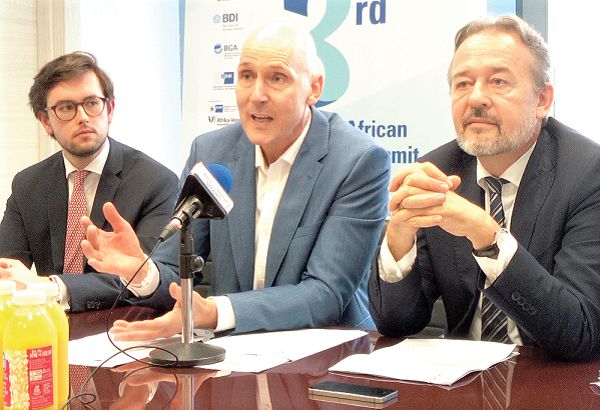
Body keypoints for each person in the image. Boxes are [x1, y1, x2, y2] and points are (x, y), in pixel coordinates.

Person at [81, 23, 390, 338]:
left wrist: (215, 312)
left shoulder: (357, 161)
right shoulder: (212, 152)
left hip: (328, 358)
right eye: (246, 76)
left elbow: (326, 293)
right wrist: (142, 271)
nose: (257, 95)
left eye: (277, 78)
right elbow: (175, 270)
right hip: (236, 354)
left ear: (314, 88)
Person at [369, 15, 600, 361]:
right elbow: (397, 323)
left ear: (542, 100)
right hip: (462, 382)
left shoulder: (587, 173)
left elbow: (578, 334)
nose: (476, 98)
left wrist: (487, 234)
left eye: (498, 82)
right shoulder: (440, 170)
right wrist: (399, 236)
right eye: (463, 84)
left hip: (554, 383)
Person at [0, 52, 178, 312]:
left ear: (110, 110)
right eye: (66, 108)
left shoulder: (155, 182)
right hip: (48, 328)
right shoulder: (28, 184)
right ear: (45, 121)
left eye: (92, 103)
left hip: (122, 330)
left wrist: (50, 288)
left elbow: (148, 280)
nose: (82, 116)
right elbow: (8, 268)